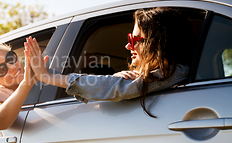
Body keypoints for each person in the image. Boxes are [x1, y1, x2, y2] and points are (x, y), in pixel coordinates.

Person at [25, 7, 194, 118]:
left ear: (158, 42)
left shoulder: (174, 72)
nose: (128, 45)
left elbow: (116, 88)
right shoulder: (172, 74)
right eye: (130, 38)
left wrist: (46, 77)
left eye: (134, 39)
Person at [0, 43, 48, 129]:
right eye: (1, 69)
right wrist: (26, 84)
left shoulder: (38, 72)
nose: (13, 67)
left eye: (10, 58)